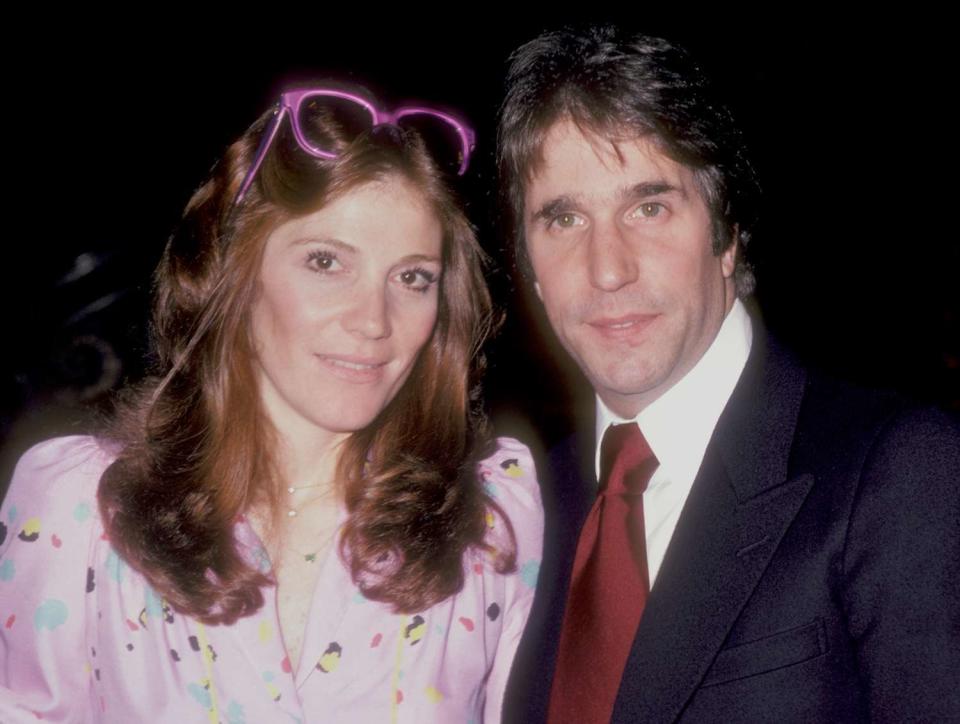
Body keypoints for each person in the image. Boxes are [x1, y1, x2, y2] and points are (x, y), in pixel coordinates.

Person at [0, 84, 542, 722]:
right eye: (325, 262)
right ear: (236, 273)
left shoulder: (492, 518)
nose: (374, 320)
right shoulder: (79, 508)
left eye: (412, 277)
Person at [497, 26, 959, 723]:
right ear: (528, 267)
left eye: (648, 207)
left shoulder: (897, 468)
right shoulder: (523, 512)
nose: (608, 268)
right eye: (563, 220)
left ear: (726, 233)